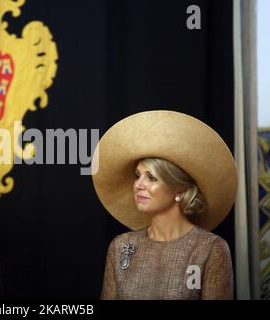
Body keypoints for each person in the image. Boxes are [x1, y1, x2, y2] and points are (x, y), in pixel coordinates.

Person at [92, 110, 237, 300]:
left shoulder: (210, 249)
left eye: (151, 178)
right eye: (138, 176)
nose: (138, 185)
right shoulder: (121, 246)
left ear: (179, 189)